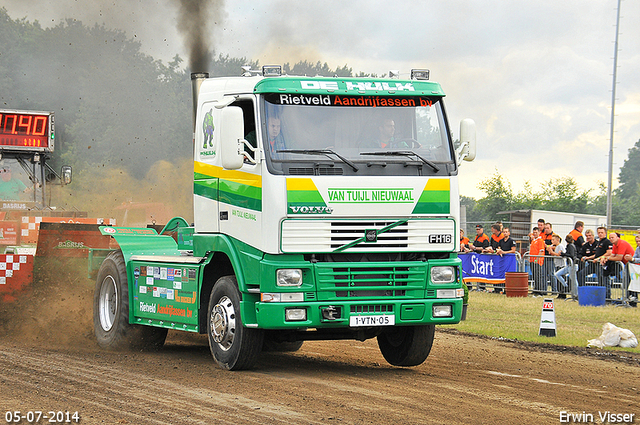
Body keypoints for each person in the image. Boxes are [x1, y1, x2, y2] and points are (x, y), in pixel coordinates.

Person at [601, 232, 634, 300]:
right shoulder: (615, 245)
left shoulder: (622, 244)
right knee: (627, 282)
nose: (611, 239)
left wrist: (607, 258)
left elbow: (619, 258)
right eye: (610, 238)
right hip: (627, 264)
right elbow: (612, 255)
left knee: (630, 282)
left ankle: (631, 297)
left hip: (633, 264)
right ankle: (628, 297)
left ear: (617, 237)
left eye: (612, 237)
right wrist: (604, 258)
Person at [555, 234, 577, 298]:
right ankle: (566, 286)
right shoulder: (570, 245)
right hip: (569, 265)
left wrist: (562, 254)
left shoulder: (570, 246)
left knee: (574, 280)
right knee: (557, 274)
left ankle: (576, 294)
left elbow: (571, 255)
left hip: (572, 265)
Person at [529, 227, 547, 295]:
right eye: (534, 232)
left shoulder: (540, 241)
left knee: (538, 276)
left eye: (536, 232)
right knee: (534, 276)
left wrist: (537, 259)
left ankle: (540, 291)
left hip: (537, 261)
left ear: (539, 232)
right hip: (532, 261)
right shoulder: (533, 240)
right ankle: (535, 289)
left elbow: (541, 251)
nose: (535, 234)